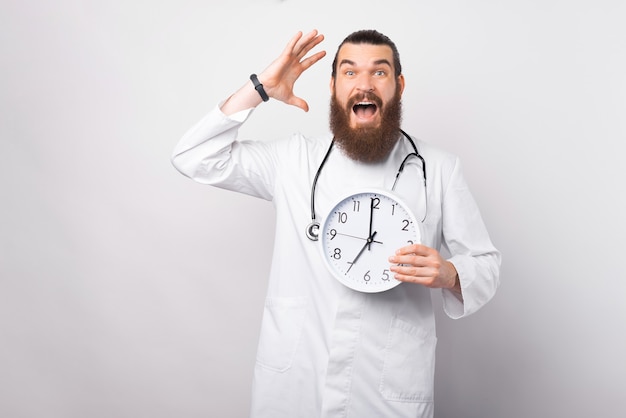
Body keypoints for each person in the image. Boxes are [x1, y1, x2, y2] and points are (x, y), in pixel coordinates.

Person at [172, 29, 500, 418]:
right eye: (349, 73)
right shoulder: (294, 161)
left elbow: (485, 263)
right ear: (332, 86)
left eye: (379, 73)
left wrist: (449, 273)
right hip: (295, 385)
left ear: (399, 85)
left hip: (386, 392)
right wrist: (259, 89)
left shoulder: (439, 169)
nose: (364, 85)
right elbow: (193, 156)